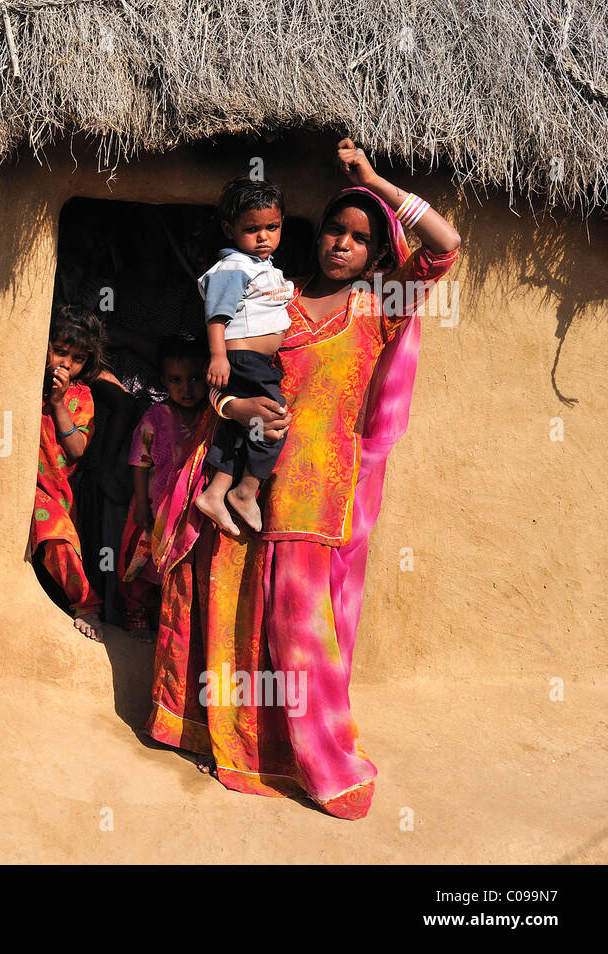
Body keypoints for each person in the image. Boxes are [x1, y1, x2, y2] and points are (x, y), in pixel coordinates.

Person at [146, 139, 461, 820]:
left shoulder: (379, 312)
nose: (341, 245)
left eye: (358, 239)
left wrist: (375, 181)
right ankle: (227, 742)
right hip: (242, 486)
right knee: (231, 619)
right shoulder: (272, 297)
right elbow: (219, 380)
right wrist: (234, 406)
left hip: (315, 495)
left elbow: (444, 246)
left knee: (297, 629)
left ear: (378, 257)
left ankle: (312, 759)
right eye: (334, 232)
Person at [194, 178, 295, 535]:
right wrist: (217, 355)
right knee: (276, 420)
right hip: (242, 359)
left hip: (252, 362)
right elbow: (217, 314)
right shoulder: (234, 266)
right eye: (252, 229)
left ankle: (216, 492)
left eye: (272, 227)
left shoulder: (262, 266)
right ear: (229, 230)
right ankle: (247, 489)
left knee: (241, 428)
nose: (264, 236)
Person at [117, 340, 210, 640]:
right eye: (176, 380)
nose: (187, 388)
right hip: (154, 506)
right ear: (163, 382)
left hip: (190, 510)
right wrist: (142, 506)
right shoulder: (155, 417)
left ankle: (178, 626)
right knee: (142, 560)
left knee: (180, 563)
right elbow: (139, 462)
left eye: (195, 378)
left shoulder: (210, 416)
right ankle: (137, 613)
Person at [31, 305, 108, 641]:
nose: (65, 363)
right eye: (59, 351)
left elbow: (77, 449)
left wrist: (59, 402)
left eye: (76, 358)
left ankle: (84, 606)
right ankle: (85, 603)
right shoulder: (26, 381)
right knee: (53, 531)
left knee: (61, 539)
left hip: (56, 491)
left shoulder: (81, 396)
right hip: (24, 486)